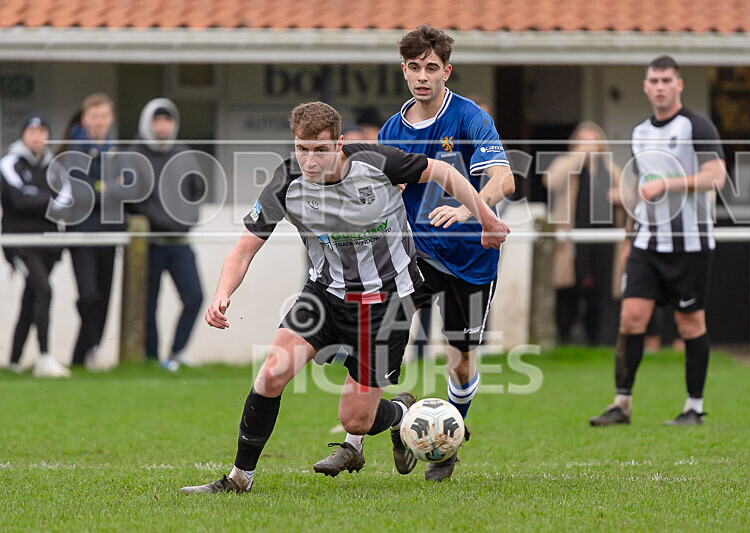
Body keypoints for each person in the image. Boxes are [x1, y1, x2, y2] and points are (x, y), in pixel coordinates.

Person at [179, 101, 508, 494]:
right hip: (325, 295)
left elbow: (443, 171)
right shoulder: (287, 182)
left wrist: (485, 218)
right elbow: (244, 249)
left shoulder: (376, 162)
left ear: (338, 144)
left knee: (355, 420)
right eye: (302, 149)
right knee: (271, 375)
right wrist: (222, 294)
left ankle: (401, 411)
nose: (309, 160)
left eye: (319, 150)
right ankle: (239, 478)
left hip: (388, 302)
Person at [314, 25, 516, 481]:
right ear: (403, 70)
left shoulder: (470, 119)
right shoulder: (392, 128)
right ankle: (353, 444)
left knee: (460, 358)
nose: (422, 77)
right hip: (414, 255)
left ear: (447, 70)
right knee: (377, 337)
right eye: (413, 68)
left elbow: (505, 179)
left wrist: (469, 214)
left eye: (431, 68)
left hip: (471, 259)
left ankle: (446, 446)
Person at [589, 55, 726, 427]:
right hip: (647, 242)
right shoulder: (639, 132)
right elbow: (638, 187)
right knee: (631, 319)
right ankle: (622, 404)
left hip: (690, 243)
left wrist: (669, 184)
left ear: (679, 84)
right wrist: (630, 235)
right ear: (646, 86)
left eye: (667, 79)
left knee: (689, 324)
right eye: (654, 80)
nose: (661, 86)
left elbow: (716, 176)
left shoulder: (696, 126)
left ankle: (694, 407)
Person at [123, 98, 204, 371]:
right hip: (150, 245)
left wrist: (187, 218)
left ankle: (177, 352)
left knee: (195, 296)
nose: (162, 126)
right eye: (157, 120)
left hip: (180, 243)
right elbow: (130, 200)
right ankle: (151, 358)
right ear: (148, 122)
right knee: (148, 304)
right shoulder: (135, 155)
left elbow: (196, 191)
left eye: (167, 120)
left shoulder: (184, 153)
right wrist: (157, 219)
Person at [1, 116, 72, 377]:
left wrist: (35, 197)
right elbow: (18, 201)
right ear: (23, 135)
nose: (36, 136)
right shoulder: (9, 163)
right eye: (31, 131)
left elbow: (66, 203)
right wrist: (45, 199)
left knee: (32, 297)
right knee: (44, 289)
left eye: (41, 131)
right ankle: (44, 357)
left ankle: (14, 361)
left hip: (48, 245)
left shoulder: (56, 167)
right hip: (20, 245)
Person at [543, 121, 625, 345]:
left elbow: (631, 197)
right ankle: (564, 337)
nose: (588, 145)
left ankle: (601, 339)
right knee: (570, 288)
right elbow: (550, 180)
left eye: (592, 140)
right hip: (573, 240)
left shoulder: (612, 170)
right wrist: (579, 156)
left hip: (606, 240)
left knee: (603, 289)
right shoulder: (567, 164)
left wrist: (621, 197)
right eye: (582, 140)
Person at [66, 93, 123, 369]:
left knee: (103, 298)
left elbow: (129, 190)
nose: (99, 122)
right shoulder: (74, 151)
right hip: (81, 235)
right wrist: (108, 188)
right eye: (94, 116)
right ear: (85, 118)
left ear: (110, 119)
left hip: (110, 235)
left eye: (104, 116)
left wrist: (108, 188)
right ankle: (92, 347)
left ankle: (83, 356)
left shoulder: (116, 152)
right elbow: (82, 192)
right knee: (88, 296)